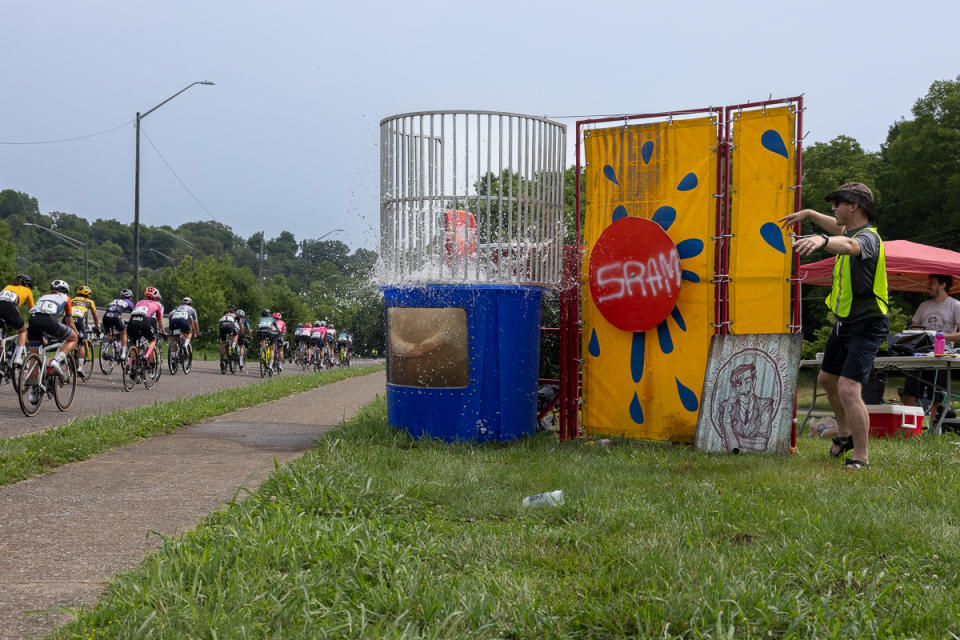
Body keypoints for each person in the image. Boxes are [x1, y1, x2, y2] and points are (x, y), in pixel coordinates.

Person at [780, 182, 888, 470]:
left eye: (838, 203)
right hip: (845, 324)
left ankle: (861, 457)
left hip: (867, 324)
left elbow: (850, 245)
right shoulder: (849, 230)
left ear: (853, 206)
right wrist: (810, 213)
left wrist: (822, 241)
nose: (834, 208)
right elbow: (840, 232)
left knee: (849, 389)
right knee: (827, 381)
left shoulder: (868, 239)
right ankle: (844, 434)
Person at [902, 274, 960, 422]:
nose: (928, 286)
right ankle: (909, 431)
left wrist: (940, 336)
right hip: (919, 354)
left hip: (941, 355)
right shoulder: (924, 305)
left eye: (932, 283)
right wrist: (921, 334)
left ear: (943, 285)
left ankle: (934, 432)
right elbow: (913, 328)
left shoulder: (955, 305)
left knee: (938, 396)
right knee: (910, 393)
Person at [26, 280, 78, 384]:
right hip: (49, 320)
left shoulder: (43, 296)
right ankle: (56, 361)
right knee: (73, 338)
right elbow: (69, 322)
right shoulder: (66, 298)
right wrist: (76, 333)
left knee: (34, 355)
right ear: (65, 291)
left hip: (32, 320)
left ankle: (33, 390)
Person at [716, 363, 775, 451]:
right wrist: (726, 419)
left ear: (754, 382)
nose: (744, 389)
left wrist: (734, 439)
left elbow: (762, 444)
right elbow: (731, 447)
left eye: (747, 381)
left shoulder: (765, 405)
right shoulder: (724, 407)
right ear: (733, 388)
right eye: (739, 384)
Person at [127, 286, 165, 372]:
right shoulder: (157, 305)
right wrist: (163, 331)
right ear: (155, 297)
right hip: (145, 320)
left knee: (135, 345)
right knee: (152, 340)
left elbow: (134, 313)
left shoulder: (139, 302)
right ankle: (146, 356)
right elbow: (159, 321)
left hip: (132, 321)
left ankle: (130, 363)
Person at [0, 274, 35, 366]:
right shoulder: (27, 290)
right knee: (22, 330)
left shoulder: (8, 286)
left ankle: (2, 356)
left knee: (2, 332)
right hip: (9, 308)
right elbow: (32, 310)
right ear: (27, 285)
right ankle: (18, 358)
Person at [70, 285, 101, 380]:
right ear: (88, 295)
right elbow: (95, 316)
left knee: (68, 340)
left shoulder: (72, 300)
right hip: (78, 321)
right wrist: (97, 327)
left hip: (67, 320)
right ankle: (80, 367)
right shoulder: (90, 302)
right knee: (82, 343)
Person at [102, 288, 136, 359]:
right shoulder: (129, 302)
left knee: (109, 333)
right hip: (116, 316)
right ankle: (123, 354)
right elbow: (134, 312)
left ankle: (105, 350)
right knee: (123, 332)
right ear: (129, 297)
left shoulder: (115, 300)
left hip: (106, 316)